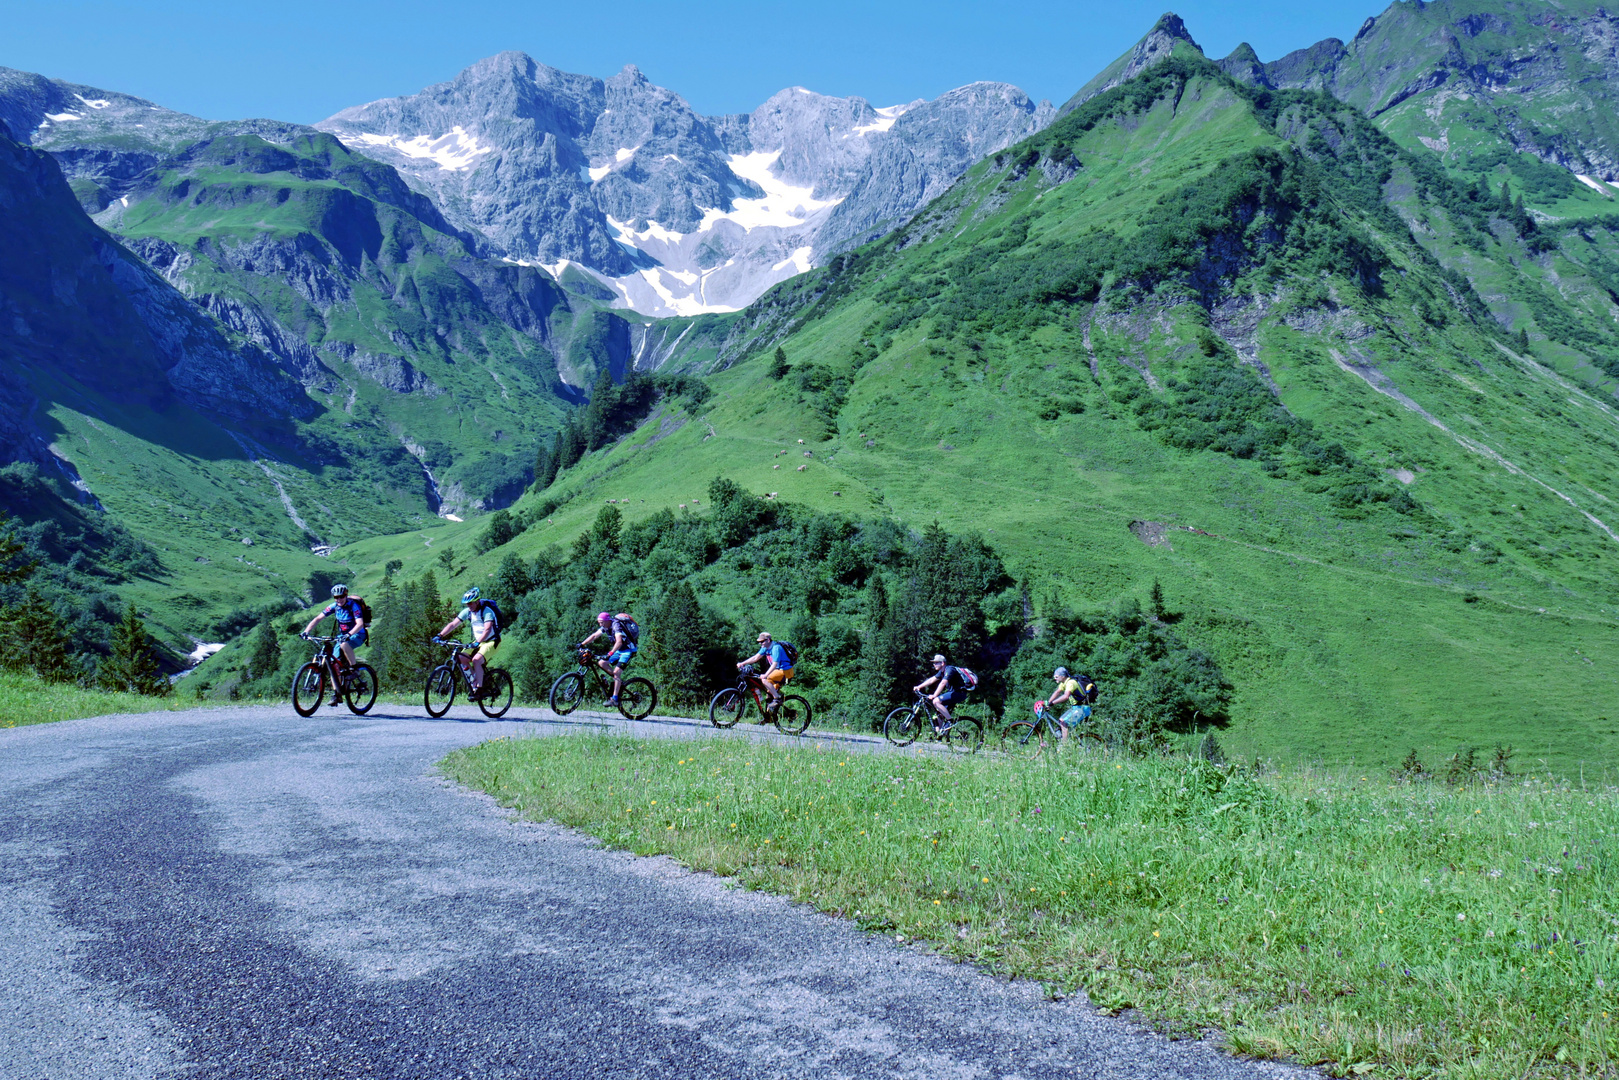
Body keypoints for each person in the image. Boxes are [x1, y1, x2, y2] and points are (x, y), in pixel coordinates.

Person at [302, 584, 367, 702]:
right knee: (333, 664)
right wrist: (306, 631)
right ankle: (337, 693)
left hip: (357, 634)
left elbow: (360, 624)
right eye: (336, 597)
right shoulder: (334, 606)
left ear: (346, 595)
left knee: (343, 644)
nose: (339, 599)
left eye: (341, 596)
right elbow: (318, 618)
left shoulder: (354, 606)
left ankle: (354, 669)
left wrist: (349, 634)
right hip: (342, 637)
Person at [436, 587, 501, 699]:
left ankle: (480, 689)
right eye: (467, 604)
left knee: (476, 660)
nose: (469, 606)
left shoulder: (487, 612)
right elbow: (453, 624)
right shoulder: (468, 612)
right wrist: (440, 635)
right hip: (478, 641)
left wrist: (477, 643)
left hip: (492, 641)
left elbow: (487, 630)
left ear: (477, 601)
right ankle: (474, 682)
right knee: (461, 658)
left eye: (470, 603)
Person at [579, 611, 637, 707]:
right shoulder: (605, 627)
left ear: (607, 621)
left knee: (617, 673)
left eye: (601, 622)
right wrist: (582, 644)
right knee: (601, 663)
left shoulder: (616, 626)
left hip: (628, 650)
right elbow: (594, 636)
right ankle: (617, 681)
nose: (600, 624)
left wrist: (610, 653)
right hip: (619, 651)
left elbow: (619, 642)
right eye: (599, 622)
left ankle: (614, 698)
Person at [736, 631, 794, 717]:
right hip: (778, 671)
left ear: (768, 640)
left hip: (785, 671)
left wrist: (766, 675)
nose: (760, 643)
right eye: (759, 642)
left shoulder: (776, 648)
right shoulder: (765, 647)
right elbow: (756, 657)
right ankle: (768, 717)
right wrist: (742, 663)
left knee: (765, 680)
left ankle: (777, 698)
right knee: (768, 694)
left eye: (762, 641)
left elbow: (775, 664)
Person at [913, 653, 969, 731]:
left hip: (959, 693)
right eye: (933, 663)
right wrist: (919, 686)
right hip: (953, 693)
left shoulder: (950, 670)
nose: (934, 664)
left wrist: (934, 695)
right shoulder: (941, 672)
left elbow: (943, 683)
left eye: (936, 663)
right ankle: (939, 735)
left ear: (942, 663)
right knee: (939, 715)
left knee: (936, 701)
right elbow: (931, 680)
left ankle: (950, 721)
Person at [1046, 666, 1093, 740]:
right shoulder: (1064, 683)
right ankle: (1069, 741)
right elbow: (1057, 692)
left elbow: (1066, 696)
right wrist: (1048, 703)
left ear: (1062, 676)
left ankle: (1064, 746)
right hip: (1076, 708)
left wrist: (1052, 703)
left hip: (1082, 708)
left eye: (1056, 676)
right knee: (1060, 721)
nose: (1055, 678)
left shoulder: (1070, 683)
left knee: (1064, 722)